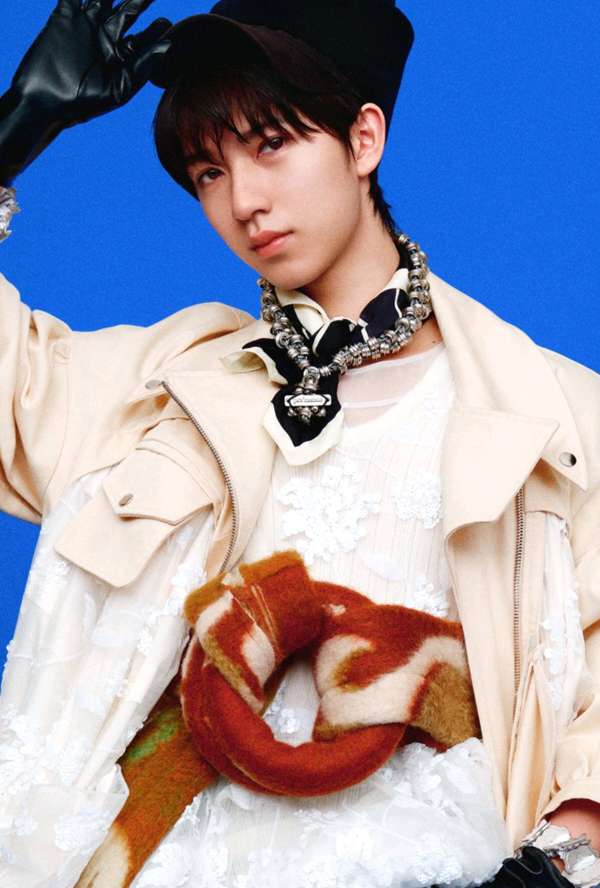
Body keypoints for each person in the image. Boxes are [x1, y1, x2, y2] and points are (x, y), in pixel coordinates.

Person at [0, 1, 600, 887]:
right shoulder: (164, 388)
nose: (244, 201)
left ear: (363, 139)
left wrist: (561, 862)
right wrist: (13, 132)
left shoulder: (552, 413)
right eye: (210, 170)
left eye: (272, 144)